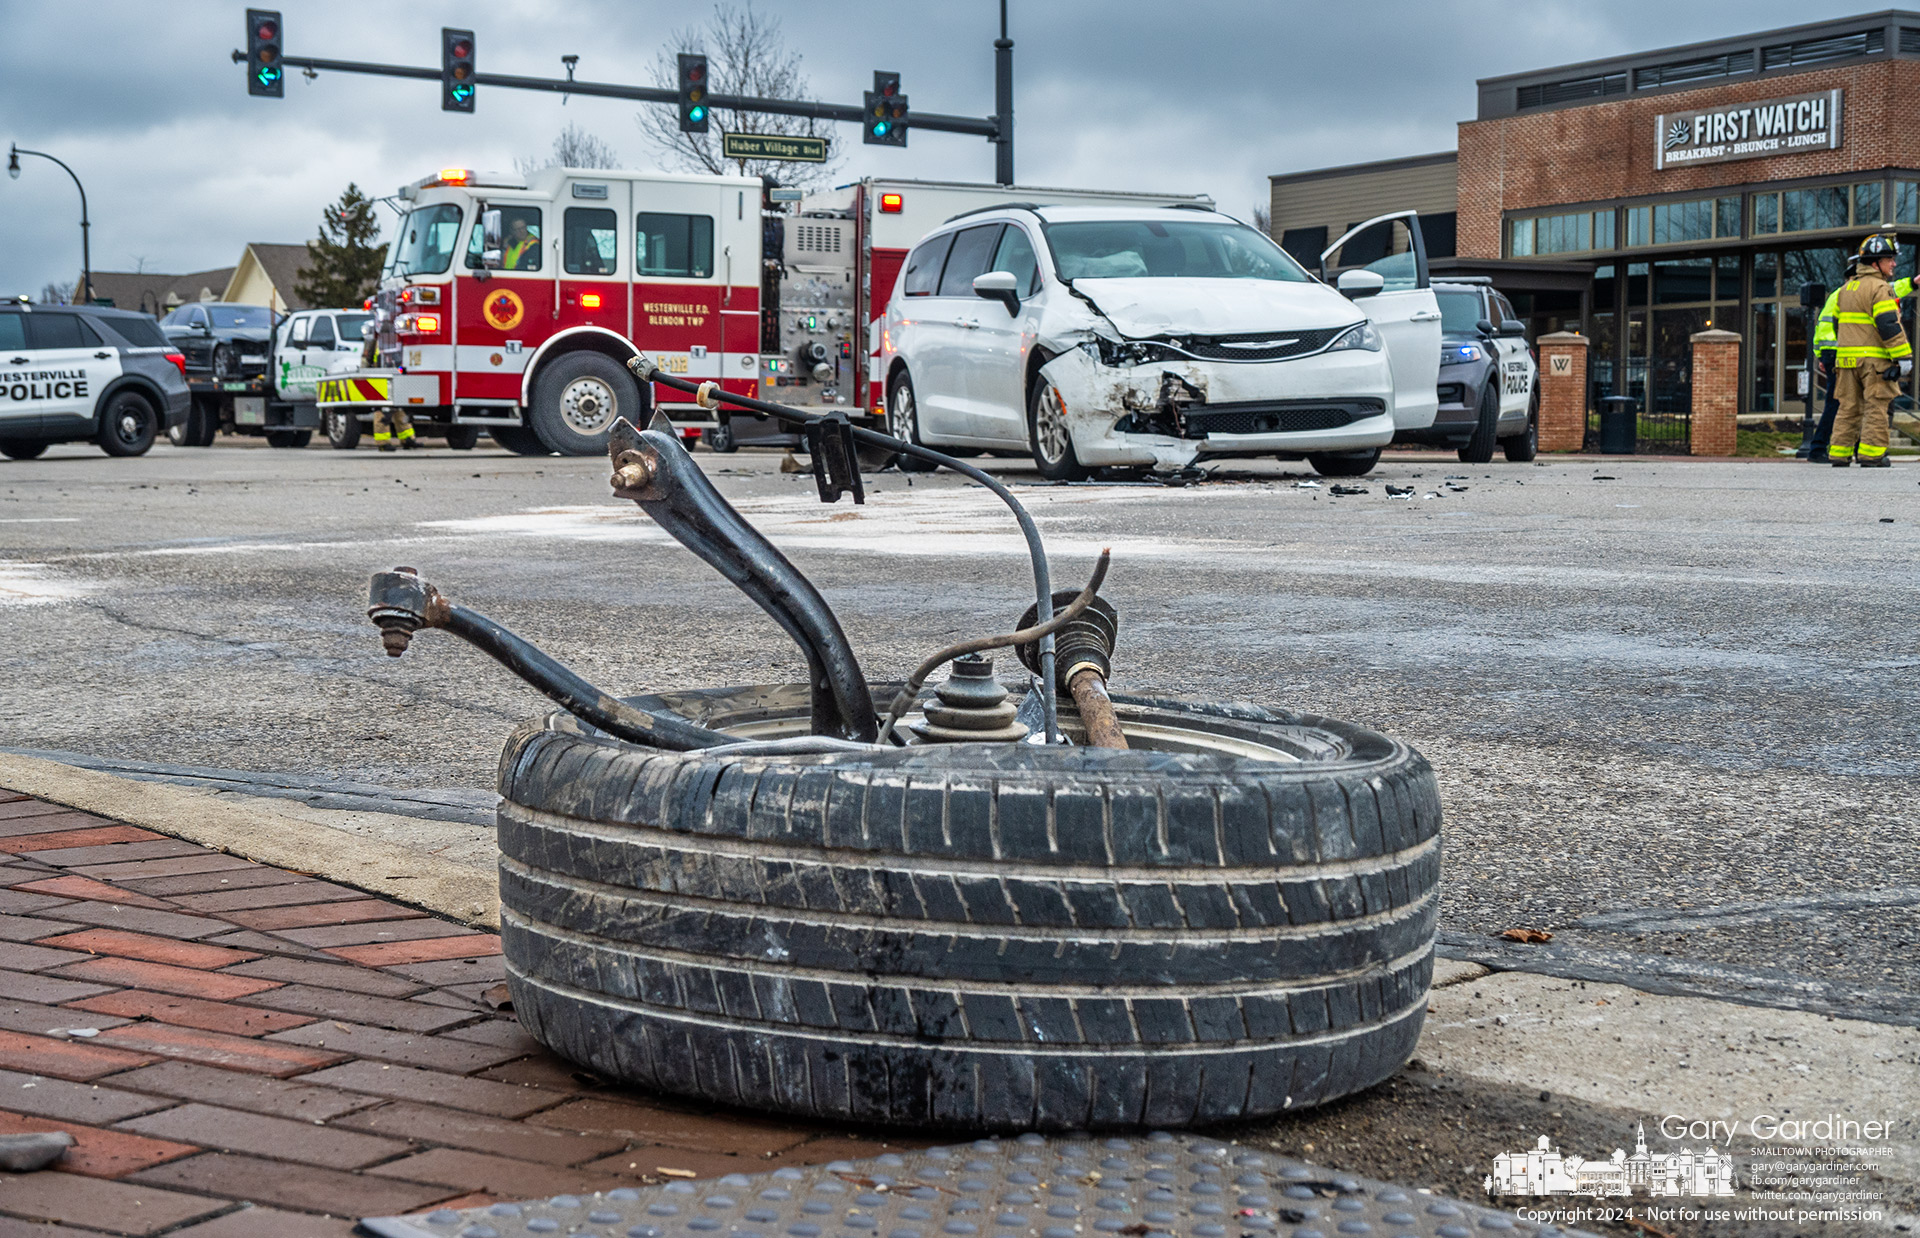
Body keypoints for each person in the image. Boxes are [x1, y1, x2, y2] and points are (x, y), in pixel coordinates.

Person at [1811, 247, 1915, 462]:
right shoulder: (1879, 288)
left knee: (1847, 407)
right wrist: (1904, 357)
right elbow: (1888, 324)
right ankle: (1871, 455)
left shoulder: (1845, 289)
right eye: (1890, 260)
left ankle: (1839, 454)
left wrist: (1826, 354)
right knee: (1877, 407)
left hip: (1846, 360)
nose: (1893, 264)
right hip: (1873, 361)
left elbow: (1836, 324)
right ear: (1875, 263)